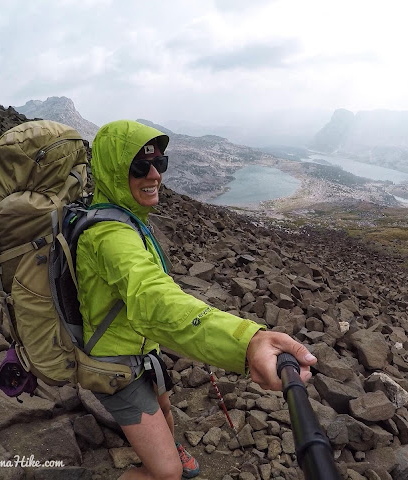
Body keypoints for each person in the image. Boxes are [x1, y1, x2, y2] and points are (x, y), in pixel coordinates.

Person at [76, 120, 317, 480]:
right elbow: (154, 300)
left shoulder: (124, 217)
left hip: (140, 347)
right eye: (141, 166)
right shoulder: (111, 237)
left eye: (160, 163)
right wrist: (247, 342)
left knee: (165, 409)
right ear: (113, 171)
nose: (155, 174)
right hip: (115, 365)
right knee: (168, 474)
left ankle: (166, 446)